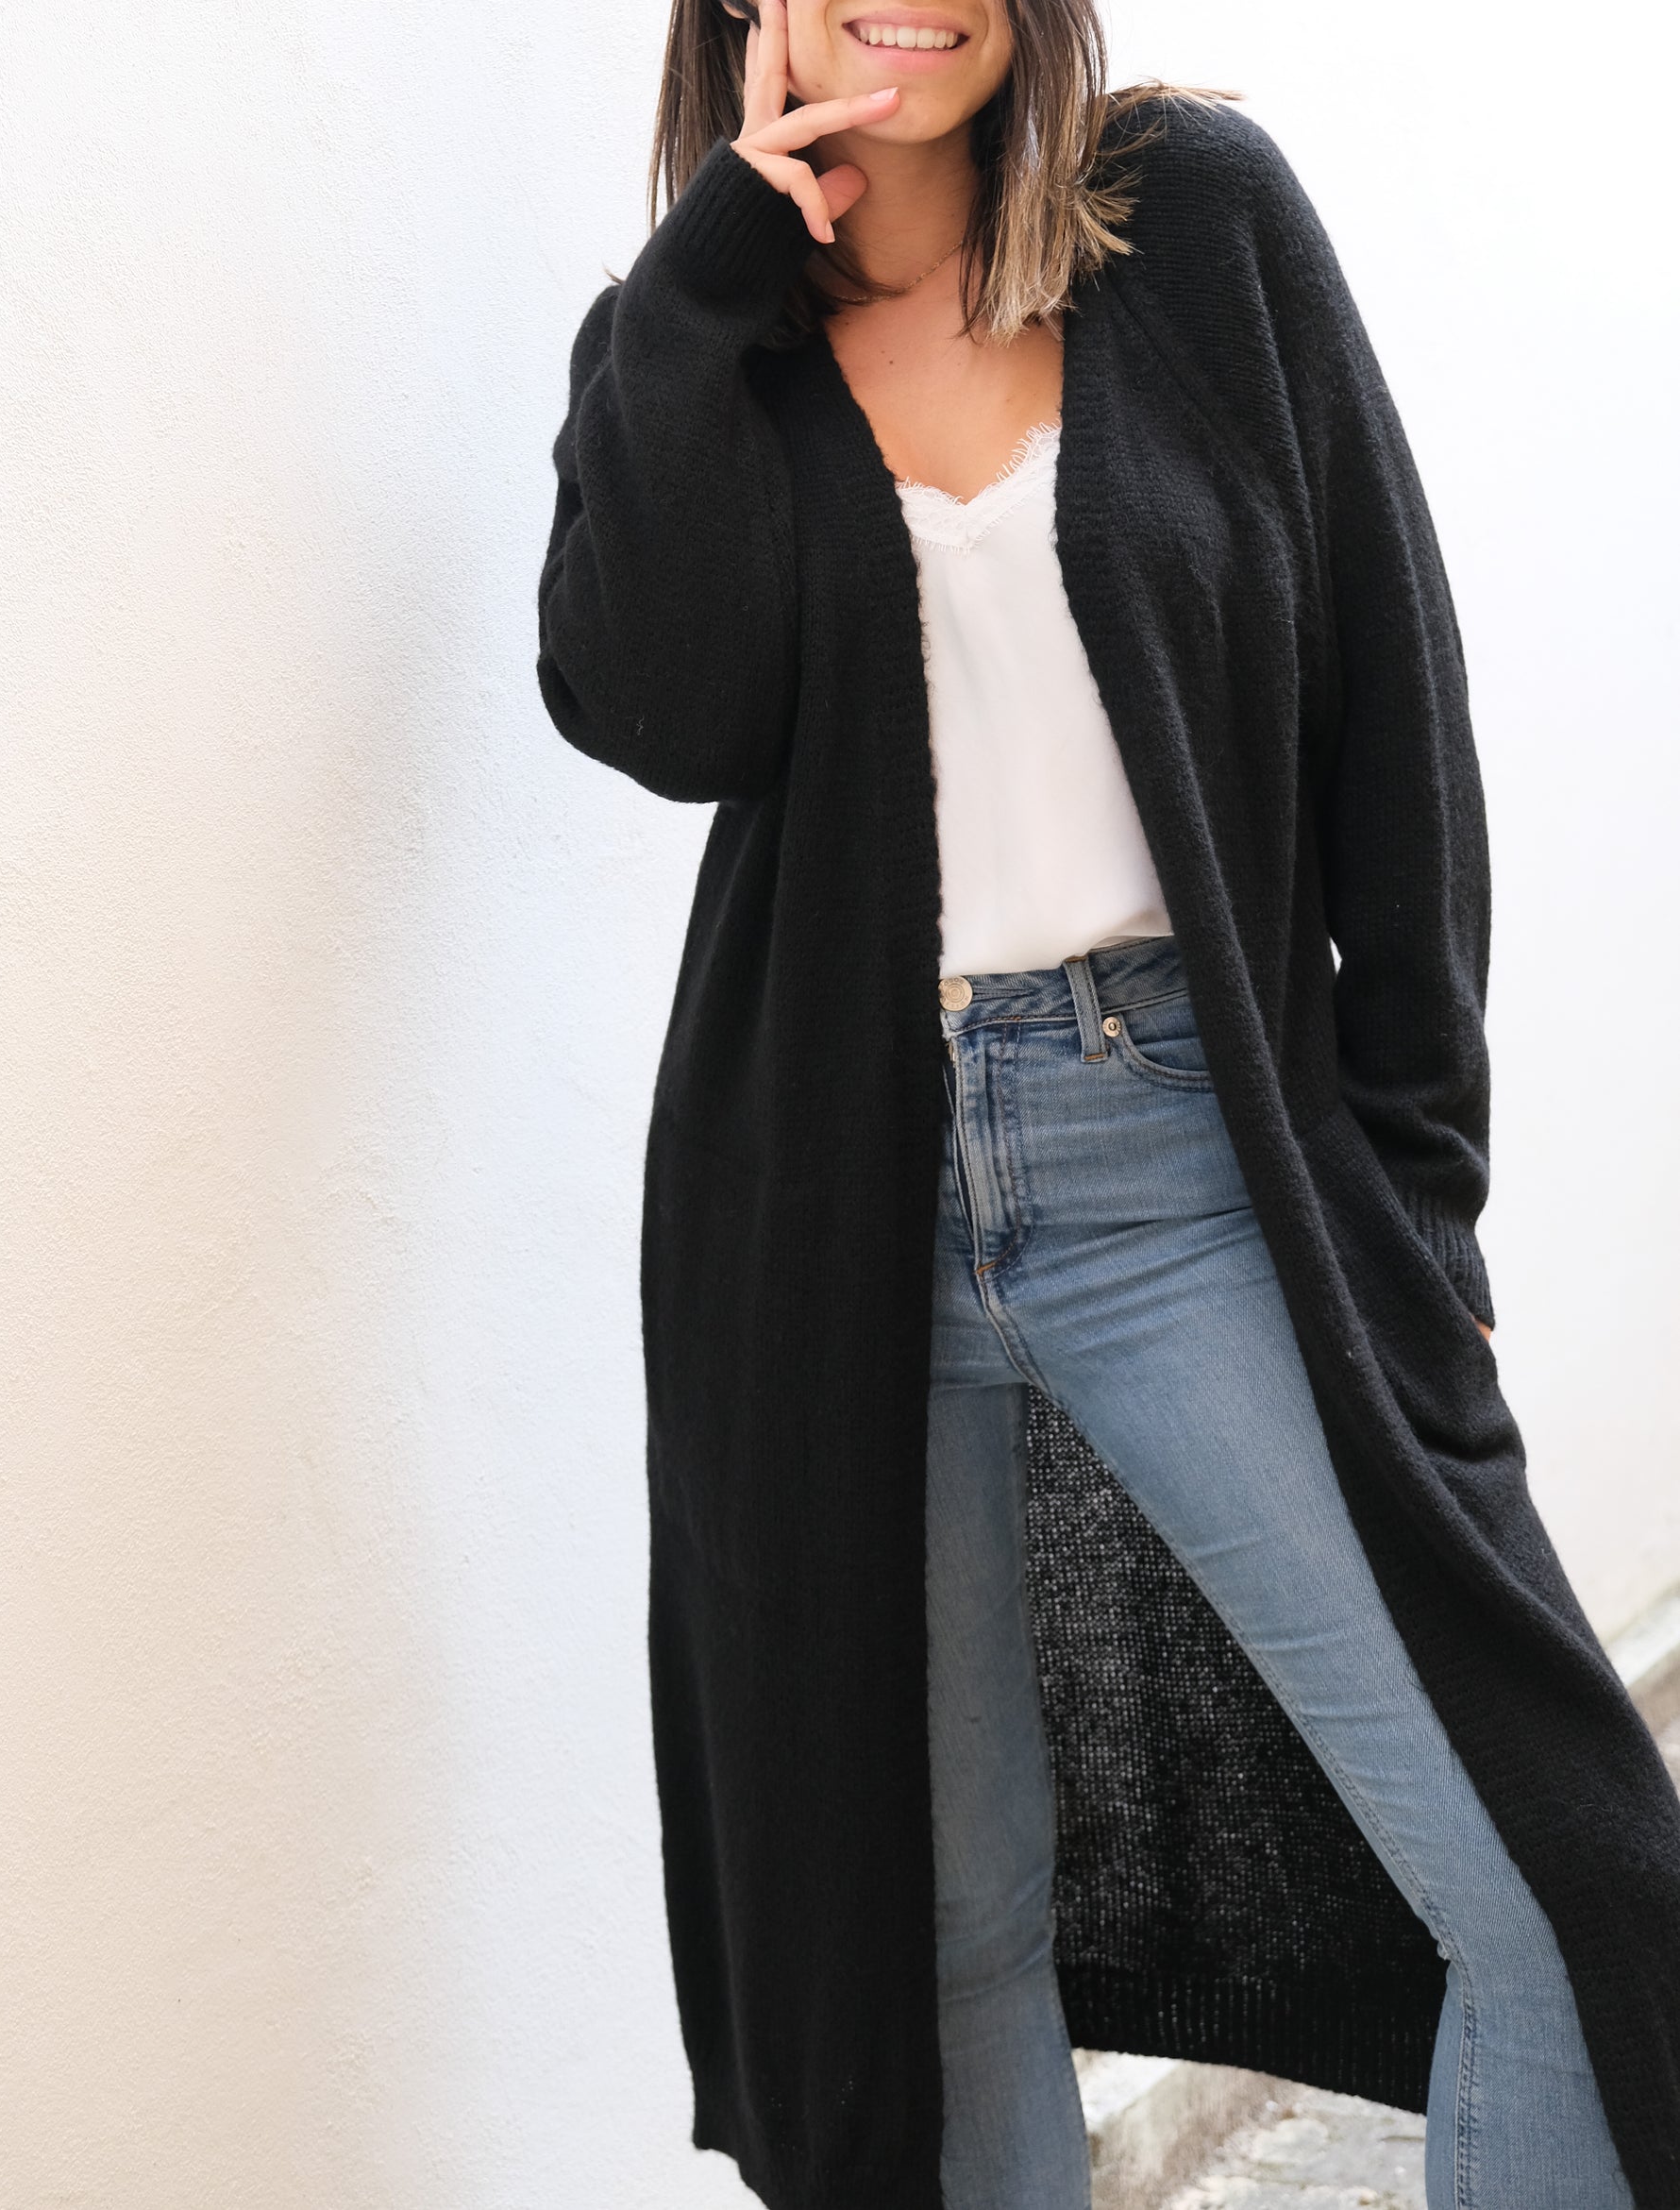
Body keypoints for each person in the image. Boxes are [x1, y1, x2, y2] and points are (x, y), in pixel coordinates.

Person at [534, 0, 1680, 2203]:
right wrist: (702, 280)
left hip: (1180, 1156)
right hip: (824, 1210)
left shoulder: (1194, 223)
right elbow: (651, 705)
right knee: (936, 1941)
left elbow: (1394, 722)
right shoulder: (691, 344)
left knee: (1561, 1884)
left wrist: (1417, 1209)